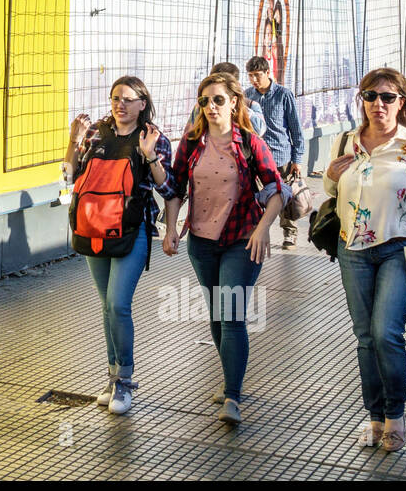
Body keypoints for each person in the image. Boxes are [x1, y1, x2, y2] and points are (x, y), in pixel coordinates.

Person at [323, 68, 406, 453]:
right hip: (353, 250)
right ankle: (375, 417)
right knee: (364, 337)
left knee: (385, 333)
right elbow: (333, 190)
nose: (378, 103)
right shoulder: (345, 141)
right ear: (362, 100)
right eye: (371, 96)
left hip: (399, 248)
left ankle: (395, 416)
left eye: (388, 97)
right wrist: (329, 176)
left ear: (402, 102)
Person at [163, 72, 287, 425]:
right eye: (204, 101)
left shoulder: (249, 142)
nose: (211, 107)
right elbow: (176, 188)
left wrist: (263, 229)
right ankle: (229, 377)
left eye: (218, 100)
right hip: (201, 242)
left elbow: (277, 190)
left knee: (231, 315)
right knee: (217, 315)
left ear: (234, 102)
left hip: (242, 239)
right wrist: (170, 228)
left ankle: (233, 395)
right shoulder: (192, 142)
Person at [65, 77, 175, 416]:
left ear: (143, 103)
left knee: (118, 304)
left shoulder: (153, 138)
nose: (120, 105)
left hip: (131, 230)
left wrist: (150, 156)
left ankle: (124, 380)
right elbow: (69, 177)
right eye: (115, 98)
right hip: (93, 228)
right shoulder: (95, 133)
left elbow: (168, 188)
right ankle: (112, 378)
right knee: (106, 306)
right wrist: (73, 141)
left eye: (128, 99)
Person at [245, 55, 306, 250]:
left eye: (257, 75)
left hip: (280, 156)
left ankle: (290, 233)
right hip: (256, 157)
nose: (254, 80)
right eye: (250, 75)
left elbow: (296, 129)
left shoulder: (283, 95)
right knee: (257, 198)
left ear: (267, 72)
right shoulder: (247, 96)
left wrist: (297, 159)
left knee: (285, 197)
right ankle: (257, 232)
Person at [185, 61, 267, 138]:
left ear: (236, 86)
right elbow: (188, 135)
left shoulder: (251, 105)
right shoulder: (202, 106)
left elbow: (260, 131)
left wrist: (240, 107)